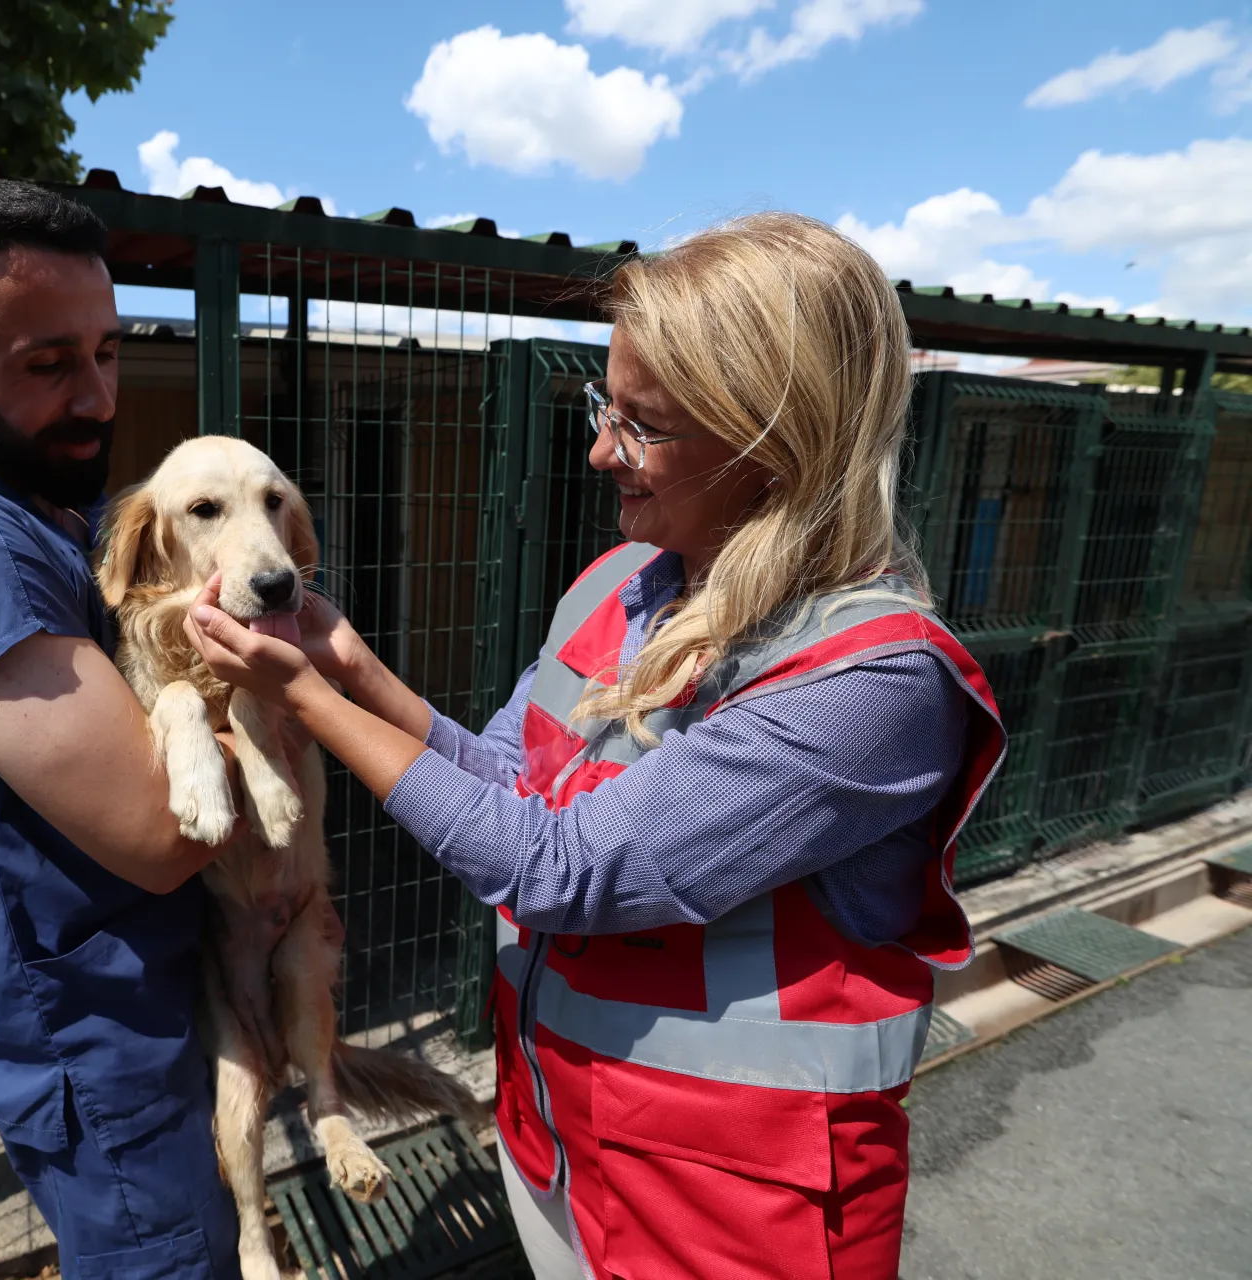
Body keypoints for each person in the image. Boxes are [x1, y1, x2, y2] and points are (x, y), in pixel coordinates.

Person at [185, 212, 1007, 1280]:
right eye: (601, 407)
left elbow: (555, 868)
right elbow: (511, 788)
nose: (599, 450)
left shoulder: (872, 685)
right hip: (563, 1151)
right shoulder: (617, 585)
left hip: (732, 1220)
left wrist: (303, 695)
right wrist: (347, 664)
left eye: (644, 425)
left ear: (777, 439)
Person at [0, 179, 248, 1278]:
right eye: (47, 364)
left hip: (144, 1020)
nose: (98, 396)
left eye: (108, 351)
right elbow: (166, 833)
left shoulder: (39, 510)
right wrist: (282, 708)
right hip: (98, 1048)